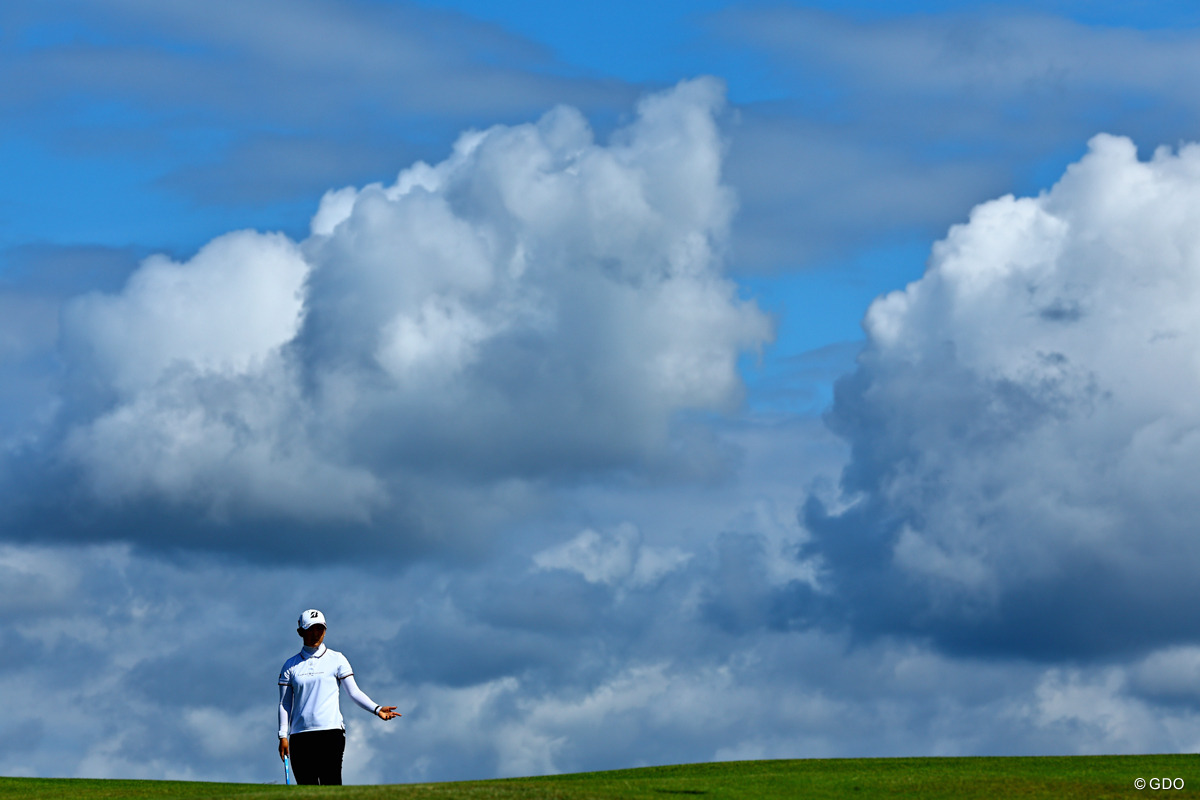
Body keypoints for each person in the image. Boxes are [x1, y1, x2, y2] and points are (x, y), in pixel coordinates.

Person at [277, 609, 399, 785]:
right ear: (300, 632)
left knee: (331, 786)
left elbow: (354, 692)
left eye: (320, 628)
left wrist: (377, 709)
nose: (316, 634)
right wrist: (283, 736)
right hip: (300, 735)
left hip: (331, 733)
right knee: (306, 791)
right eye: (311, 629)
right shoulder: (290, 666)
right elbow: (285, 703)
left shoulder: (337, 659)